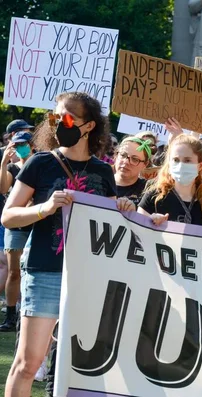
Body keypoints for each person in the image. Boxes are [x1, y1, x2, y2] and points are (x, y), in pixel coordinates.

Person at [1, 92, 135, 397]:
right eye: (55, 117)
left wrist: (124, 209)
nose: (59, 122)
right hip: (46, 271)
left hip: (88, 277)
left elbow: (112, 225)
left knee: (78, 366)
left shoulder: (103, 171)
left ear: (89, 126)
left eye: (68, 117)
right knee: (28, 364)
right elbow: (8, 216)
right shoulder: (40, 162)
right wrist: (44, 208)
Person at [138, 134, 202, 234]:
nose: (181, 165)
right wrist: (148, 222)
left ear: (200, 165)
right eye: (176, 160)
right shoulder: (154, 196)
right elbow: (137, 233)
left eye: (187, 160)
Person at [0, 131, 34, 332]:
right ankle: (11, 315)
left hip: (37, 224)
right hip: (15, 226)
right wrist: (4, 162)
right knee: (14, 273)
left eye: (24, 144)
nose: (21, 147)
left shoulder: (39, 164)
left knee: (31, 271)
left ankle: (27, 311)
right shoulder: (13, 167)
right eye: (17, 144)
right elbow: (3, 188)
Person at [115, 137, 153, 206]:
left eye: (135, 159)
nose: (126, 162)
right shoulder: (100, 179)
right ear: (116, 155)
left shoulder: (148, 190)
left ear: (145, 164)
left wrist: (135, 210)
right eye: (123, 155)